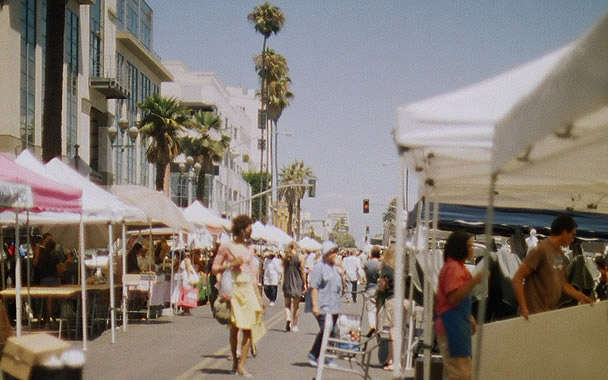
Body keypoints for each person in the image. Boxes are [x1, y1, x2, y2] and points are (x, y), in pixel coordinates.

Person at [212, 215, 265, 378]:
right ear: (242, 228)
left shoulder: (250, 248)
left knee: (249, 329)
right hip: (233, 288)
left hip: (247, 288)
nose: (251, 231)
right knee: (235, 328)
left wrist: (259, 297)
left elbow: (252, 275)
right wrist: (230, 265)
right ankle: (235, 360)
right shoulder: (226, 246)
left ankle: (242, 365)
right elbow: (215, 268)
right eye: (249, 227)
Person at [512, 214, 593, 319]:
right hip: (532, 315)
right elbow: (517, 277)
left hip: (548, 314)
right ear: (564, 232)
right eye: (572, 235)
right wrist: (524, 308)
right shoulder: (541, 250)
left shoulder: (559, 253)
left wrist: (581, 297)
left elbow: (562, 283)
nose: (572, 239)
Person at [435, 230, 483, 380]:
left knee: (454, 373)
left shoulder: (457, 267)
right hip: (452, 327)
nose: (472, 249)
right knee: (461, 374)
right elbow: (454, 297)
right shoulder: (453, 268)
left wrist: (469, 318)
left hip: (457, 325)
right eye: (469, 246)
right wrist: (475, 280)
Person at [307, 241, 342, 368]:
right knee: (326, 329)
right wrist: (315, 305)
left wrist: (341, 271)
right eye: (333, 252)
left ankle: (326, 356)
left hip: (333, 306)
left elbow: (340, 287)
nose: (335, 255)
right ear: (327, 253)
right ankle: (315, 354)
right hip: (323, 305)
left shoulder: (334, 268)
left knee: (333, 331)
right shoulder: (319, 267)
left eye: (336, 252)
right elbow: (314, 287)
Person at [376, 245, 396, 371]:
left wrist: (379, 286)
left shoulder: (387, 268)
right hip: (406, 300)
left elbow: (382, 286)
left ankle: (394, 361)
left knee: (393, 331)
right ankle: (390, 357)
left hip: (393, 299)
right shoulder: (404, 267)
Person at [282, 241, 305, 332]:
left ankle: (288, 318)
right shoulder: (300, 257)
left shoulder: (285, 257)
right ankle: (295, 325)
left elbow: (284, 270)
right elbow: (302, 271)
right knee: (296, 306)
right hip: (297, 281)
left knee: (287, 305)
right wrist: (305, 283)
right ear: (296, 247)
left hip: (287, 281)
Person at [363, 246, 381, 336]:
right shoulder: (381, 265)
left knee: (371, 309)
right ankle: (378, 328)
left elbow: (364, 274)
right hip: (379, 289)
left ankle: (372, 325)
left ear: (371, 253)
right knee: (379, 309)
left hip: (370, 287)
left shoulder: (367, 264)